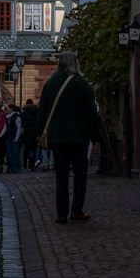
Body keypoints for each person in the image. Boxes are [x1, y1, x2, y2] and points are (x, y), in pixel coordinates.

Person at [39, 50, 100, 224]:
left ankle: (61, 213)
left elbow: (42, 110)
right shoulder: (81, 83)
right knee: (80, 174)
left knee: (61, 175)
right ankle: (77, 210)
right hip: (78, 137)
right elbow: (91, 112)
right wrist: (95, 136)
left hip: (57, 137)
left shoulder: (50, 83)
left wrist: (40, 132)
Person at [4, 105, 25, 173]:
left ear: (11, 109)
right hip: (9, 137)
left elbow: (19, 128)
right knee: (10, 154)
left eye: (8, 108)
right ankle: (11, 168)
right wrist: (0, 135)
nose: (7, 109)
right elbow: (5, 128)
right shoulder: (7, 117)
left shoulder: (16, 117)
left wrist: (17, 137)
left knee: (15, 153)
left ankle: (17, 168)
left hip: (14, 137)